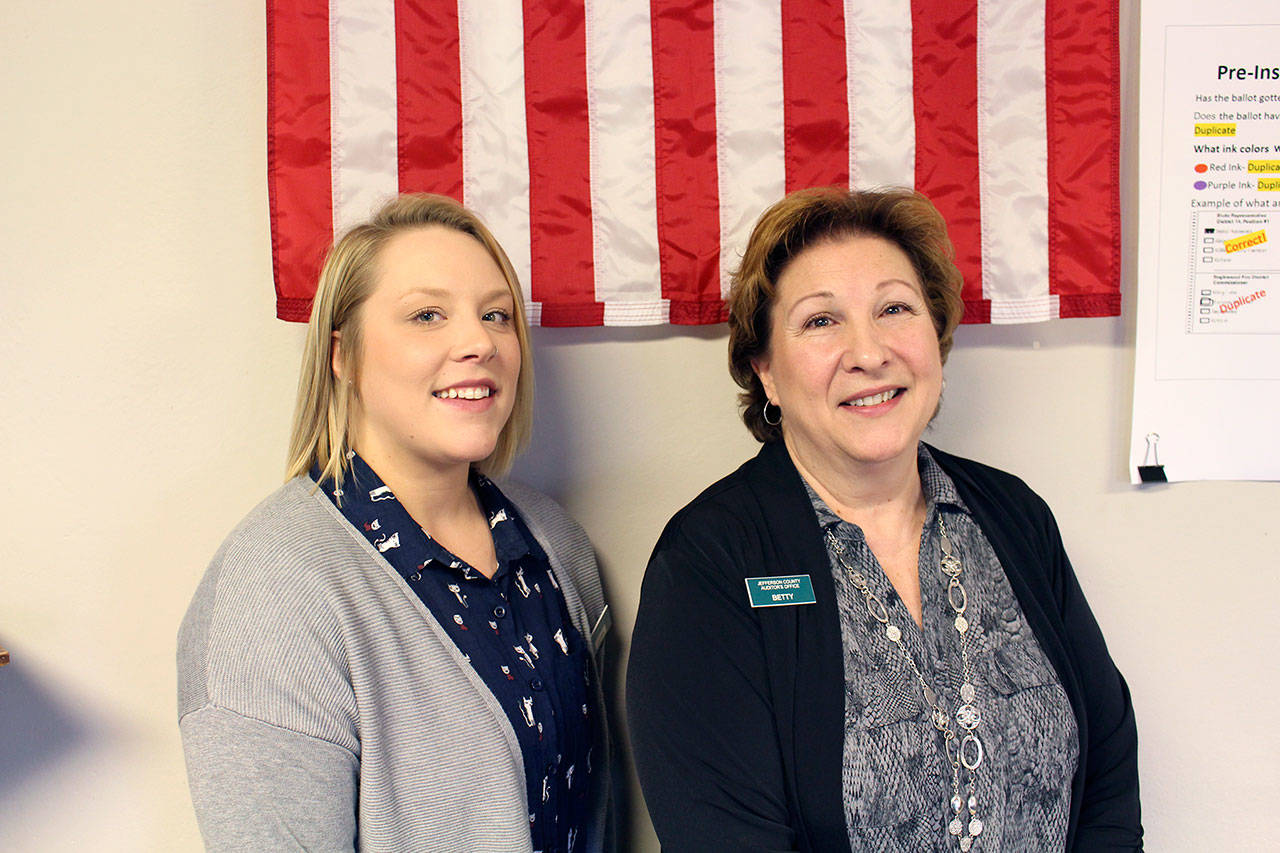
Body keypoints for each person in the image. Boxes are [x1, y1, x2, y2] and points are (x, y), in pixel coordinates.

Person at [626, 188, 1141, 851]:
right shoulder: (709, 562)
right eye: (821, 321)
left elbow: (1108, 773)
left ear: (936, 335)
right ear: (767, 372)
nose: (869, 352)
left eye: (895, 308)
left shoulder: (1014, 516)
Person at [178, 194, 611, 852]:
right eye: (427, 315)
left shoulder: (556, 543)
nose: (479, 343)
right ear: (342, 355)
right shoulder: (270, 595)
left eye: (495, 314)